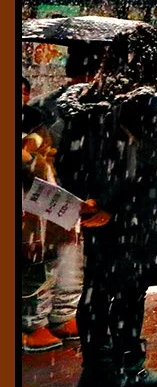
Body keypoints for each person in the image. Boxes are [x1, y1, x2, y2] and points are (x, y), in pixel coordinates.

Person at [52, 26, 157, 387]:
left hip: (97, 212)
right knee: (130, 291)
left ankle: (96, 372)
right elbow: (150, 161)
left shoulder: (87, 100)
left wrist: (90, 199)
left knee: (97, 289)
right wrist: (112, 201)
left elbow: (69, 156)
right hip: (138, 213)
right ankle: (127, 369)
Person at [19, 42, 106, 354]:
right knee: (38, 262)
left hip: (56, 194)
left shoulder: (46, 108)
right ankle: (34, 324)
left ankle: (60, 316)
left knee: (63, 260)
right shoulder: (63, 106)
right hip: (44, 198)